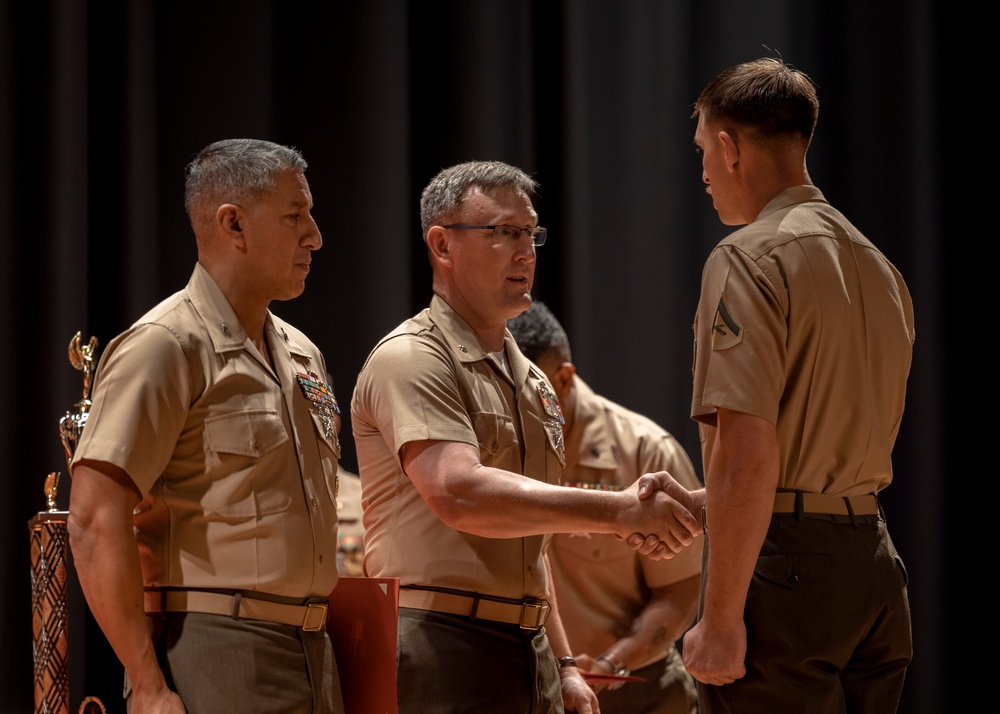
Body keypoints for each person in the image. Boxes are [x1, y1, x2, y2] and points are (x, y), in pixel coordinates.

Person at [350, 160, 702, 714]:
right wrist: (619, 511)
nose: (525, 251)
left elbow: (531, 549)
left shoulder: (533, 380)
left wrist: (563, 664)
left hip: (528, 645)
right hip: (439, 639)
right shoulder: (412, 358)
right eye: (503, 233)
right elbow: (459, 493)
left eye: (530, 233)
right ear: (442, 244)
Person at [635, 57, 915, 712]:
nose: (702, 173)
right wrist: (709, 502)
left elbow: (752, 449)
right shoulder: (881, 269)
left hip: (786, 574)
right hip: (872, 566)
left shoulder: (748, 257)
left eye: (704, 150)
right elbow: (823, 453)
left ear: (729, 148)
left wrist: (723, 617)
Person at [67, 138, 345, 714]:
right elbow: (95, 519)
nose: (314, 235)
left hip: (316, 652)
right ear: (234, 225)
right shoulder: (166, 345)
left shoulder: (302, 353)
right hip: (216, 650)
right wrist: (146, 683)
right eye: (295, 216)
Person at [508, 301, 700, 714]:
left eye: (526, 393)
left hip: (633, 691)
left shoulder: (645, 452)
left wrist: (614, 661)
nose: (513, 409)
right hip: (529, 689)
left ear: (562, 379)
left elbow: (681, 589)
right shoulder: (494, 451)